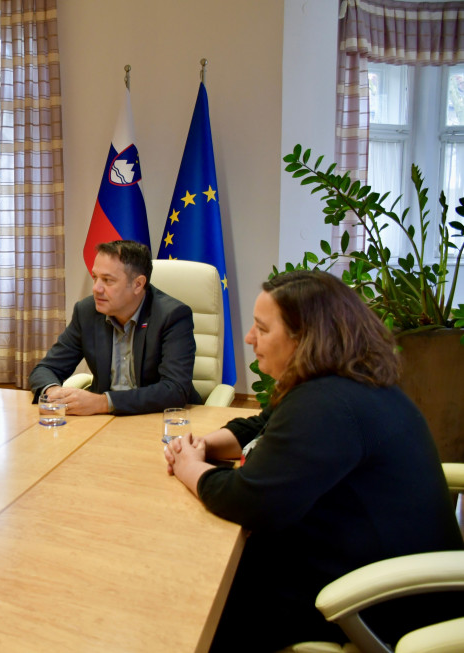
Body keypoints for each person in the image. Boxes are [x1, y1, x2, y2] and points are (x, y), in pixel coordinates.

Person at [165, 270, 464, 650]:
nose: (249, 338)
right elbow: (263, 422)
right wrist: (205, 446)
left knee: (198, 594)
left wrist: (191, 468)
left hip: (379, 603)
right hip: (370, 561)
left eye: (262, 328)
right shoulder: (344, 379)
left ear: (304, 337)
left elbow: (250, 502)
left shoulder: (327, 404)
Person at [29, 240, 199, 415]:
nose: (96, 288)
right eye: (95, 277)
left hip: (158, 418)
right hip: (102, 421)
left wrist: (103, 402)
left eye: (107, 280)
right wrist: (54, 392)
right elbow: (46, 369)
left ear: (138, 284)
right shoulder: (87, 312)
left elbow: (174, 390)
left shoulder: (172, 316)